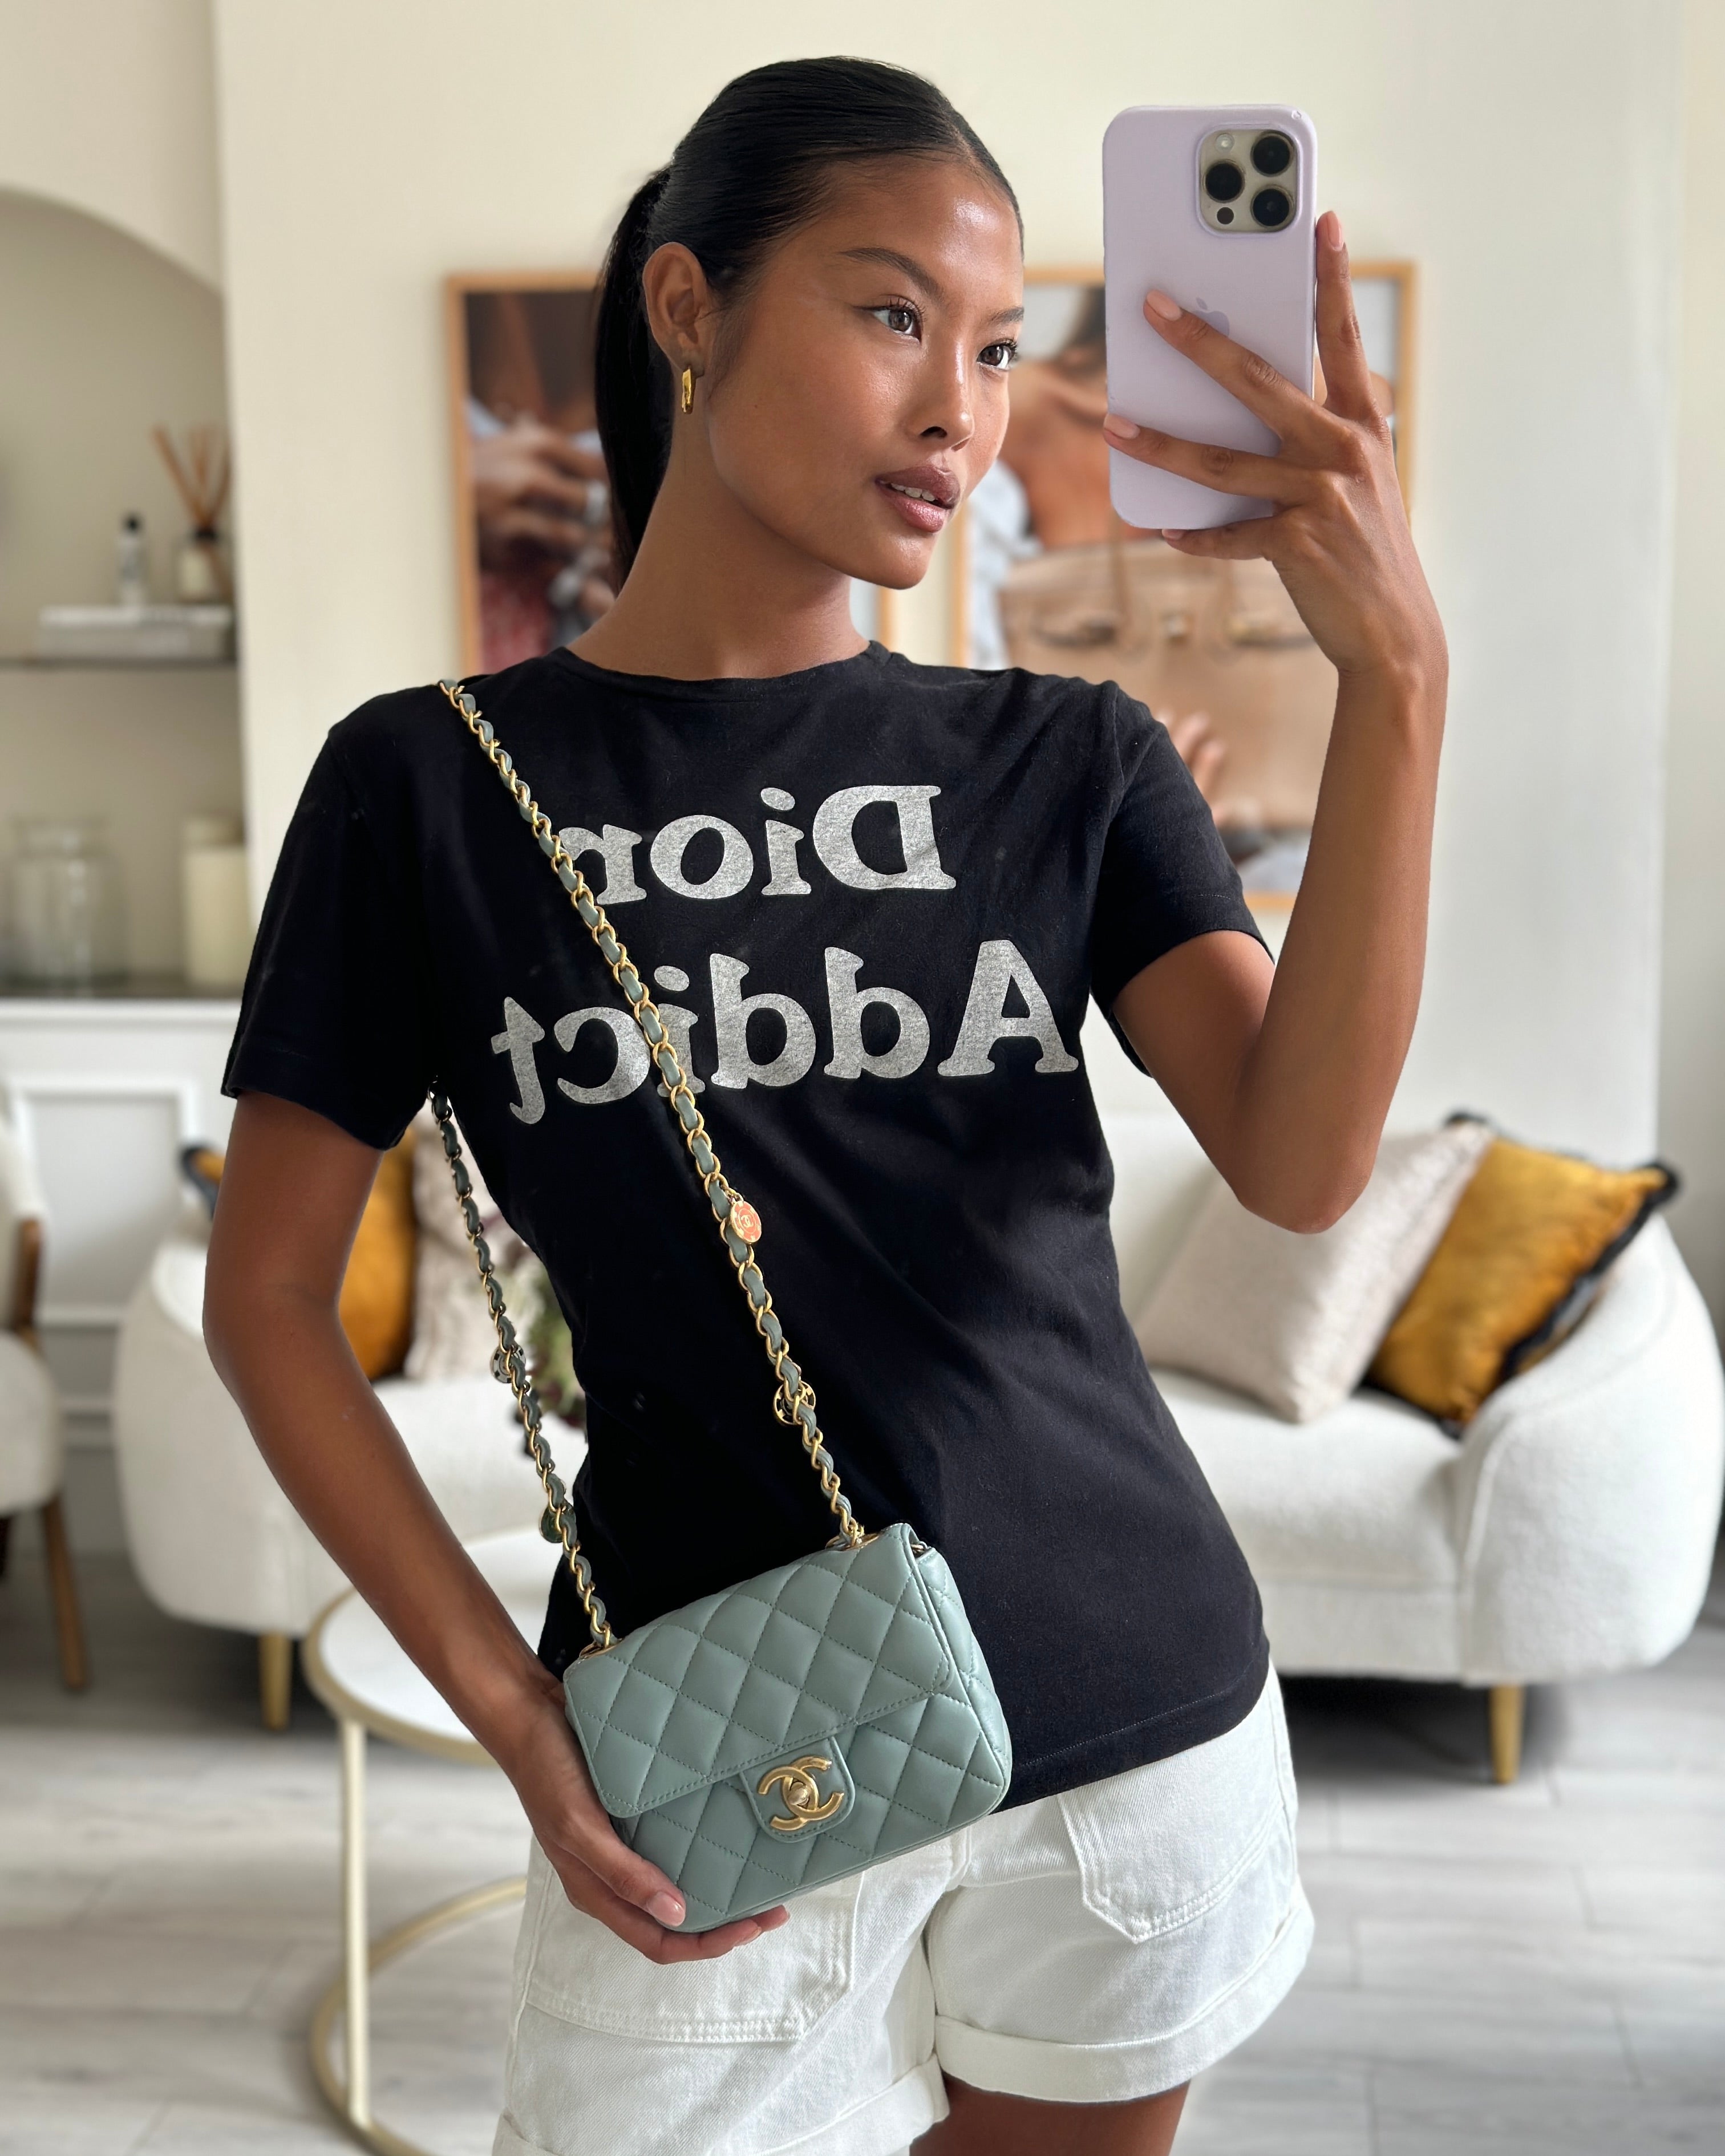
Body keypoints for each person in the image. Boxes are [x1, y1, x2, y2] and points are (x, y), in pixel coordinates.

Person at [205, 56, 1445, 2156]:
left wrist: (1399, 684)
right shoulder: (424, 784)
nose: (960, 408)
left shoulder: (1073, 760)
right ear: (688, 307)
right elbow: (267, 1301)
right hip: (719, 1761)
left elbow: (1306, 1160)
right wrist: (517, 1713)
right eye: (891, 315)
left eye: (996, 345)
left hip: (1127, 1730)